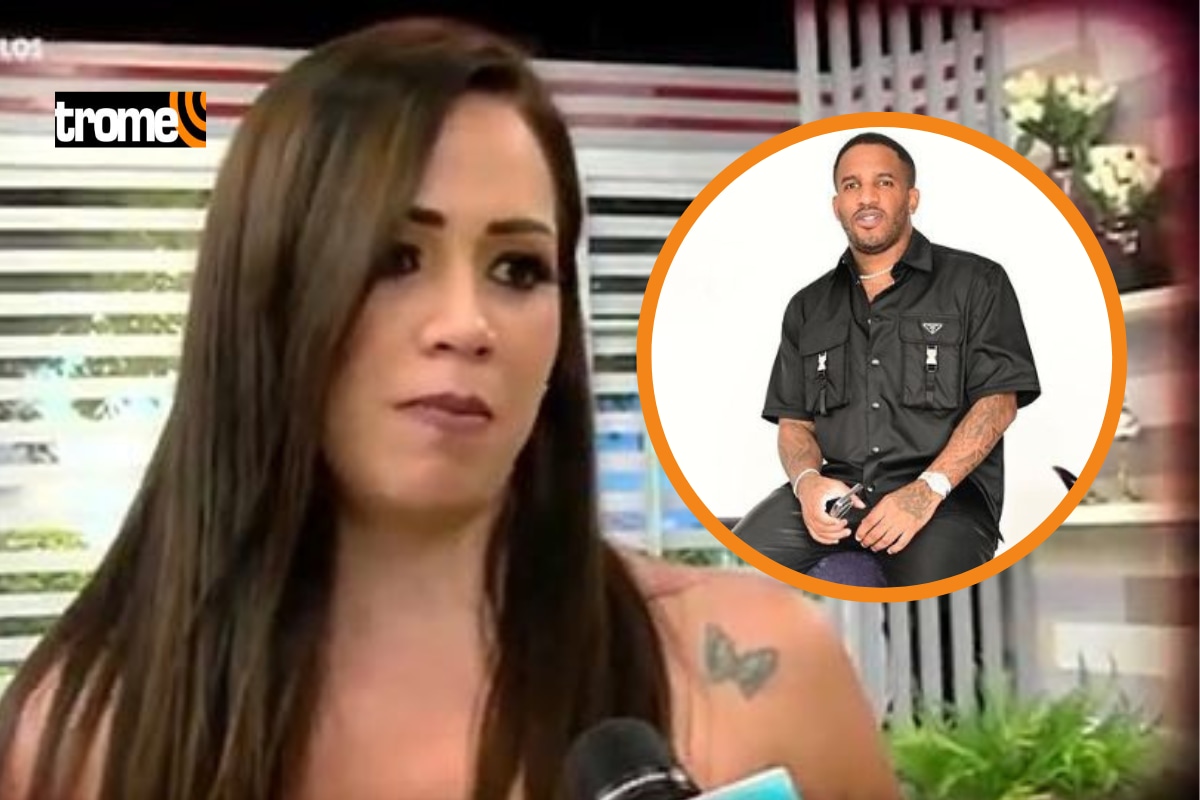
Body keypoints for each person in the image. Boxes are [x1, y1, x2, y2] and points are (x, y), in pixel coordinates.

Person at [0, 19, 902, 800]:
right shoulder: (81, 739)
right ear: (267, 294)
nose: (467, 325)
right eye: (395, 258)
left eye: (518, 269)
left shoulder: (757, 679)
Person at [733, 132, 1041, 588]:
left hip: (946, 498)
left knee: (933, 608)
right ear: (837, 205)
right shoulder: (807, 307)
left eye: (884, 182)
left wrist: (927, 490)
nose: (867, 197)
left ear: (911, 198)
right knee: (736, 567)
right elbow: (794, 423)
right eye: (852, 185)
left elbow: (999, 403)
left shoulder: (977, 282)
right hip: (841, 493)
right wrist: (806, 482)